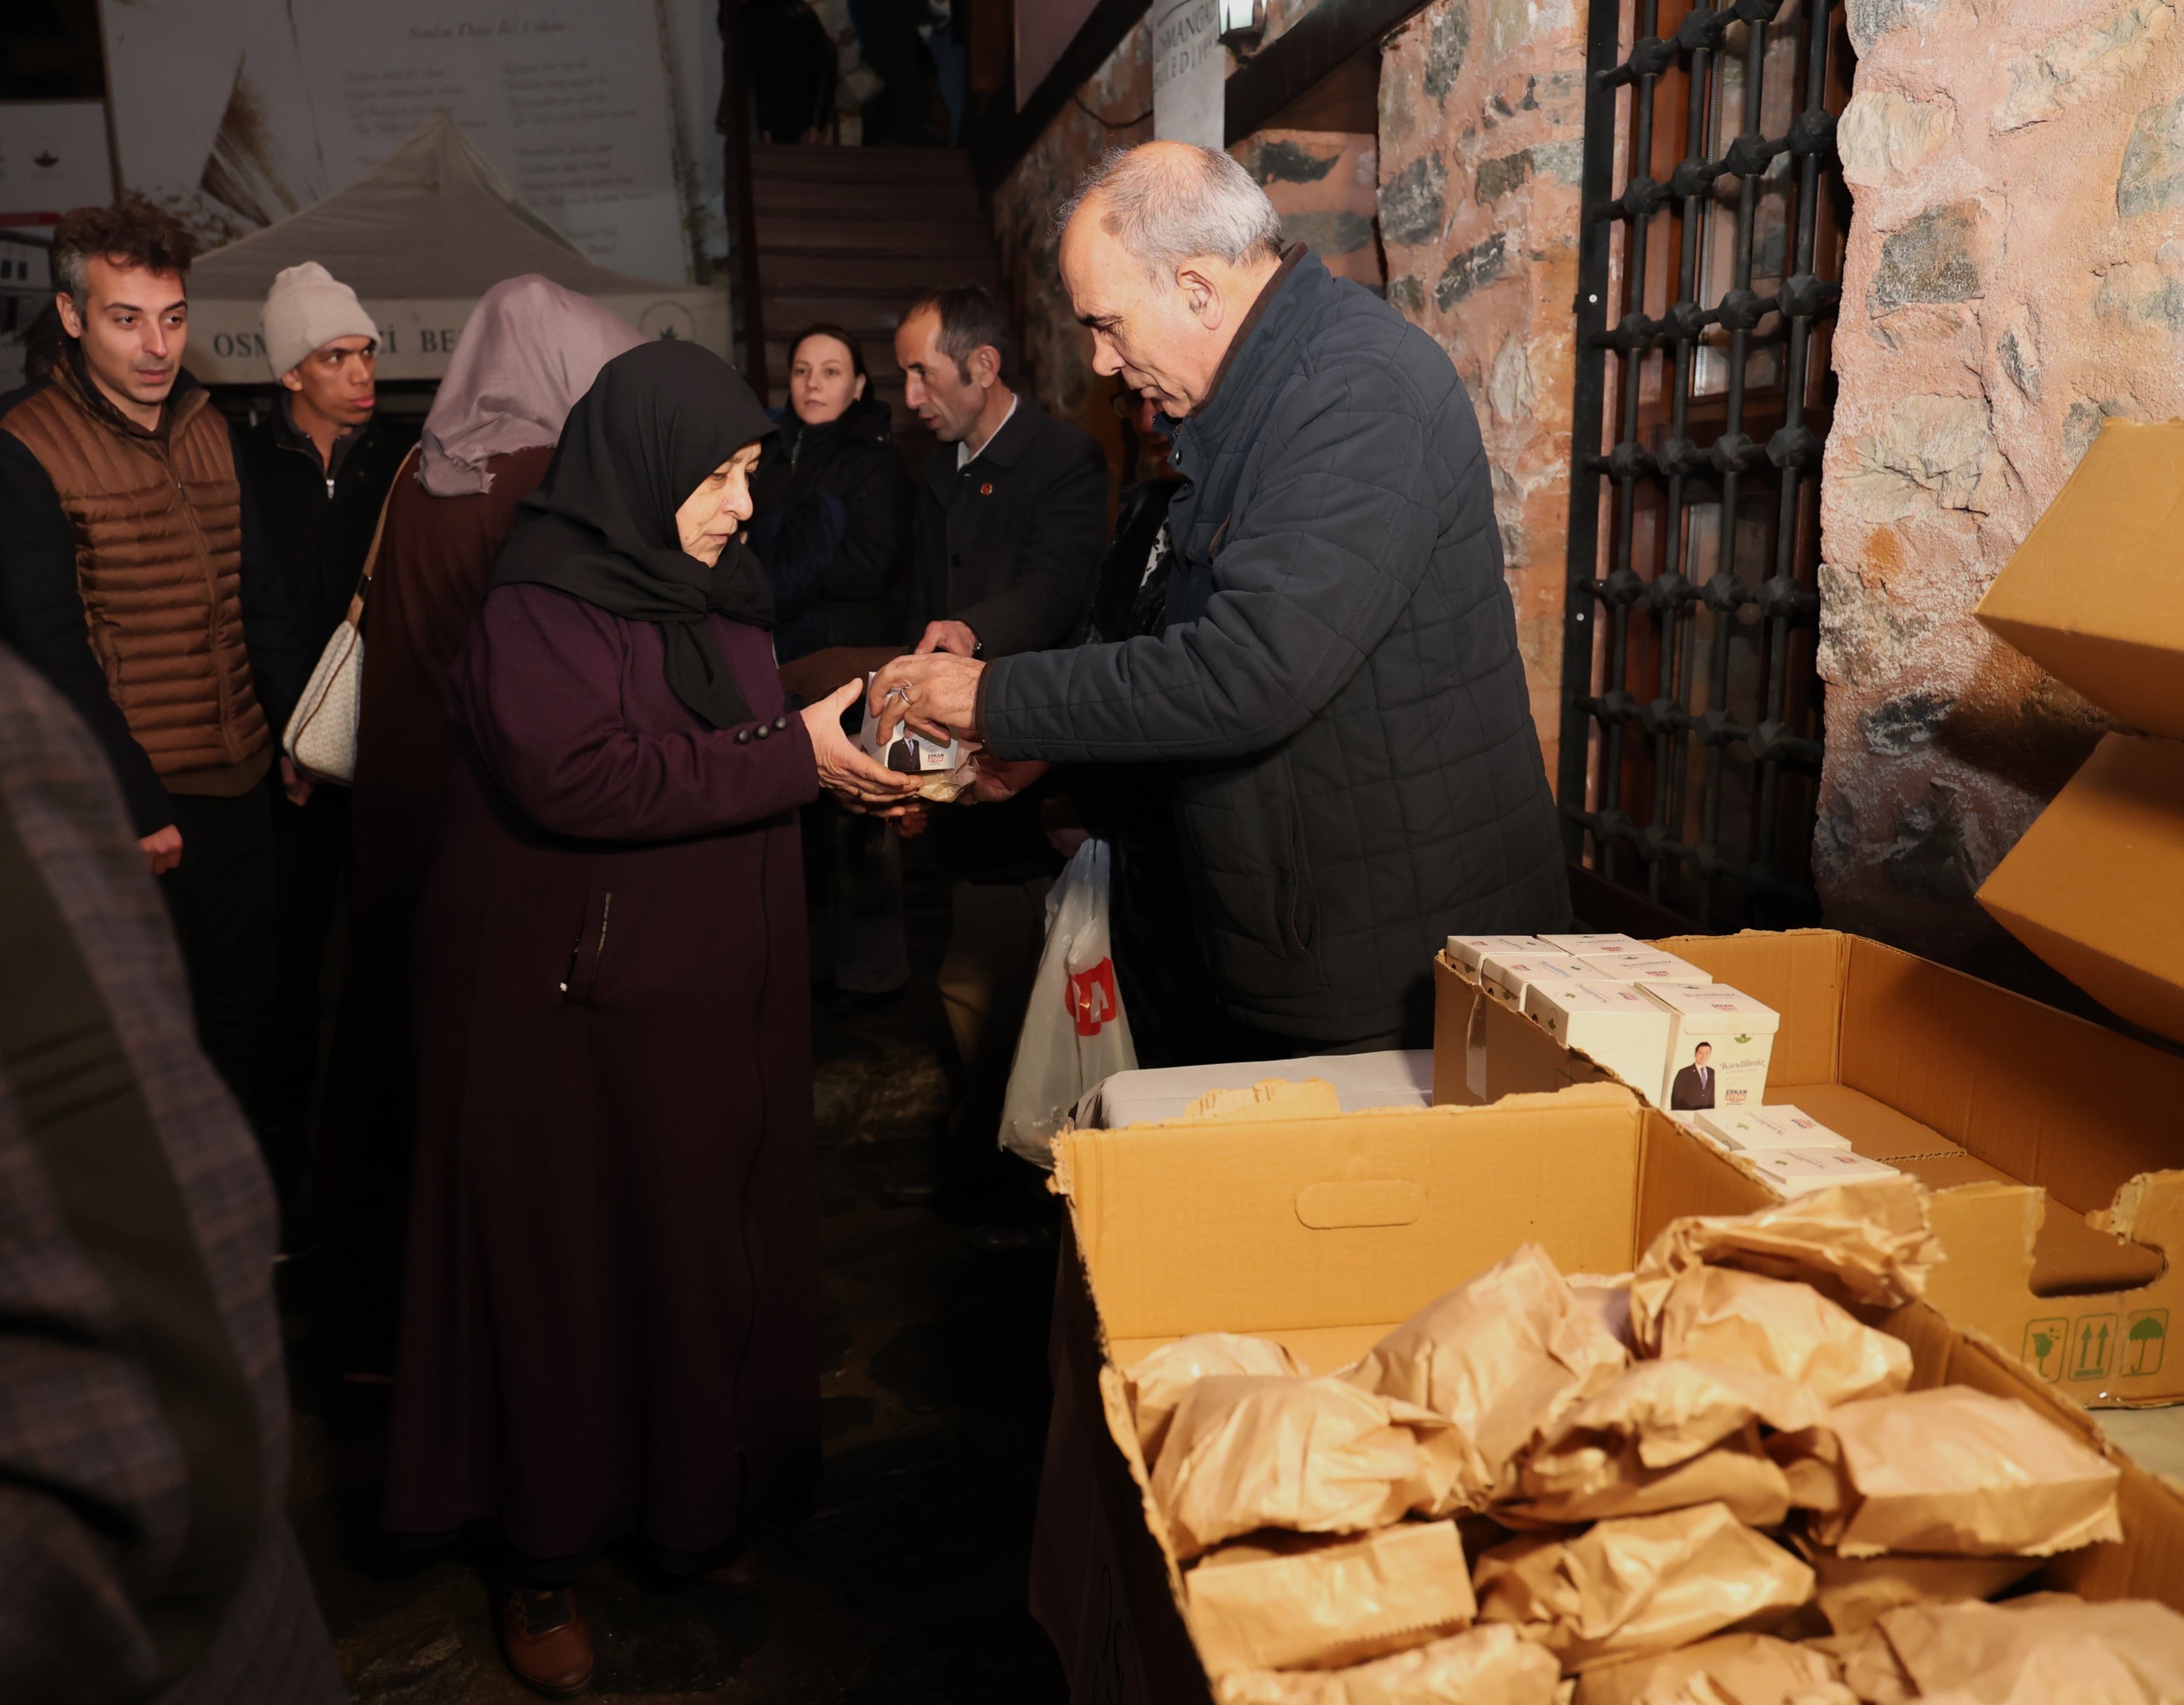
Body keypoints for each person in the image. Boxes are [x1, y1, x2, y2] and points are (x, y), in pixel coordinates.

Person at [382, 340, 917, 1695]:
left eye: (747, 471)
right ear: (638, 467)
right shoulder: (538, 609)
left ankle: (691, 1512)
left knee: (692, 1262)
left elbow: (739, 729)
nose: (744, 502)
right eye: (721, 473)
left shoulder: (716, 594)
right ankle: (541, 1554)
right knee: (564, 1284)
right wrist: (798, 756)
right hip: (569, 1026)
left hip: (700, 1018)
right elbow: (585, 777)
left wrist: (863, 712)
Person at [872, 143, 1569, 1055]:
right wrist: (1048, 754)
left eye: (1109, 324)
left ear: (1197, 291)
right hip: (1312, 932)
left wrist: (986, 697)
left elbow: (1250, 670)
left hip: (1388, 967)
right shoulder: (1256, 401)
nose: (1102, 361)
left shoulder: (1353, 391)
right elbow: (1176, 646)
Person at [0, 643, 345, 1704]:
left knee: (246, 1017)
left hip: (143, 1648)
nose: (744, 505)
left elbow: (152, 1409)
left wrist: (281, 731)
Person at [319, 274, 642, 1350]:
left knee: (387, 1044)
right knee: (490, 1077)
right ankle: (490, 1328)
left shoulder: (422, 466)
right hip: (488, 801)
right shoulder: (540, 475)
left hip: (397, 789)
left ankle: (371, 1315)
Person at [0, 200, 310, 1129]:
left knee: (245, 1016)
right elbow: (46, 647)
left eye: (172, 318)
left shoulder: (210, 425)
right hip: (129, 806)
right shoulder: (24, 447)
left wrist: (298, 733)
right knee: (142, 1040)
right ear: (69, 316)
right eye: (125, 318)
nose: (156, 346)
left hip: (240, 781)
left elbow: (259, 594)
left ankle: (234, 1228)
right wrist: (133, 801)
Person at [892, 284, 1105, 1202]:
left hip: (1029, 756)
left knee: (1004, 975)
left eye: (920, 374)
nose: (908, 397)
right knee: (974, 971)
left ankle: (1005, 1171)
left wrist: (972, 633)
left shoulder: (1063, 461)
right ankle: (987, 1152)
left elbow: (1057, 588)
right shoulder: (934, 468)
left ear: (982, 368)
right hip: (950, 757)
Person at [232, 261, 416, 1213]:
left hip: (383, 755)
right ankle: (280, 1172)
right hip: (283, 763)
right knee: (289, 971)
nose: (360, 371)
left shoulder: (405, 465)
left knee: (393, 963)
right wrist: (289, 739)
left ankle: (387, 1170)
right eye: (336, 355)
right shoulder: (244, 466)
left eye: (366, 352)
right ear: (291, 372)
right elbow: (243, 610)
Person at [751, 323, 916, 1010]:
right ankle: (811, 970)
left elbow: (869, 566)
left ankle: (874, 984)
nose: (813, 383)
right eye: (801, 371)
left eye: (830, 371)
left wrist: (786, 564)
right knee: (796, 819)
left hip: (851, 667)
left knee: (861, 820)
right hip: (781, 661)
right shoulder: (768, 454)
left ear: (857, 385)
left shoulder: (874, 459)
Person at [1670, 1040, 1716, 1111]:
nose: (1704, 1056)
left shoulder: (1711, 1072)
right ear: (1695, 1054)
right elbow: (1676, 1097)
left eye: (1707, 1053)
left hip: (1704, 1114)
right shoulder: (1684, 1072)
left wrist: (1711, 1112)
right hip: (1687, 1113)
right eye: (1701, 1053)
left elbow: (1711, 1095)